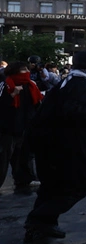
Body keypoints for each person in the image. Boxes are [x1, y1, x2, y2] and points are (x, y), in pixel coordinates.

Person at [24, 51, 86, 243]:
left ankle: (43, 224)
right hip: (66, 145)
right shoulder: (81, 84)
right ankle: (39, 218)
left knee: (52, 186)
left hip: (49, 142)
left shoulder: (70, 81)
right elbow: (74, 115)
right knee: (81, 183)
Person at [0, 61, 42, 191]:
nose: (27, 73)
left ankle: (24, 179)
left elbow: (37, 103)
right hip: (8, 128)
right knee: (3, 158)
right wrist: (13, 94)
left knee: (23, 155)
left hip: (25, 126)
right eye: (24, 70)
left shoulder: (30, 85)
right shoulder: (6, 85)